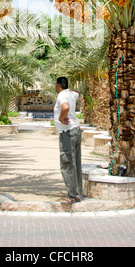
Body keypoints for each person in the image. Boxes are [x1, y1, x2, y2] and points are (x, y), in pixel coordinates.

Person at [54, 76, 83, 204]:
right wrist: (70, 91)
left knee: (67, 163)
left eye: (56, 84)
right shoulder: (71, 94)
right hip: (76, 130)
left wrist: (61, 118)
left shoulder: (62, 95)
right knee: (75, 162)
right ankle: (77, 192)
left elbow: (65, 107)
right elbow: (79, 93)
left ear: (59, 85)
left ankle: (73, 196)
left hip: (68, 133)